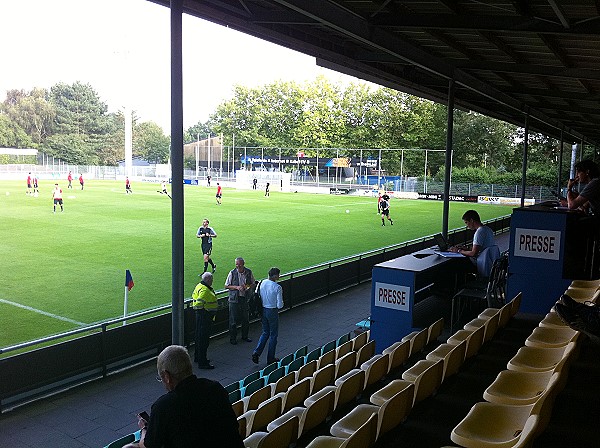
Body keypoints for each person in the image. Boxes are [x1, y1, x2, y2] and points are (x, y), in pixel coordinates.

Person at [122, 345, 244, 448]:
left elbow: (148, 445)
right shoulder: (215, 388)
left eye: (161, 378)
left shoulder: (164, 406)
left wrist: (144, 429)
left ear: (167, 377)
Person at [252, 267, 284, 365]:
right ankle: (270, 358)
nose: (279, 276)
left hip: (263, 310)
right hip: (272, 311)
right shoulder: (277, 287)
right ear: (274, 275)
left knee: (265, 332)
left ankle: (256, 352)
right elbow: (280, 305)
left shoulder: (262, 282)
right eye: (278, 275)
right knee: (273, 335)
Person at [225, 257, 255, 345]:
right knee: (233, 320)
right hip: (234, 300)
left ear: (243, 264)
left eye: (239, 265)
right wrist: (237, 287)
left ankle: (245, 336)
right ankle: (233, 338)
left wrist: (246, 287)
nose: (238, 266)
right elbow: (226, 286)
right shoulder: (232, 273)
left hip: (244, 298)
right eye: (237, 265)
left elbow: (253, 284)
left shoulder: (248, 272)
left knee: (245, 318)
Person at [192, 272, 218, 369]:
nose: (212, 282)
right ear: (208, 280)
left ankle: (198, 357)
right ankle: (203, 362)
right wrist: (204, 312)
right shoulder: (205, 290)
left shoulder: (199, 286)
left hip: (200, 317)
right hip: (204, 317)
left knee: (199, 338)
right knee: (203, 340)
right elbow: (198, 304)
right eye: (211, 280)